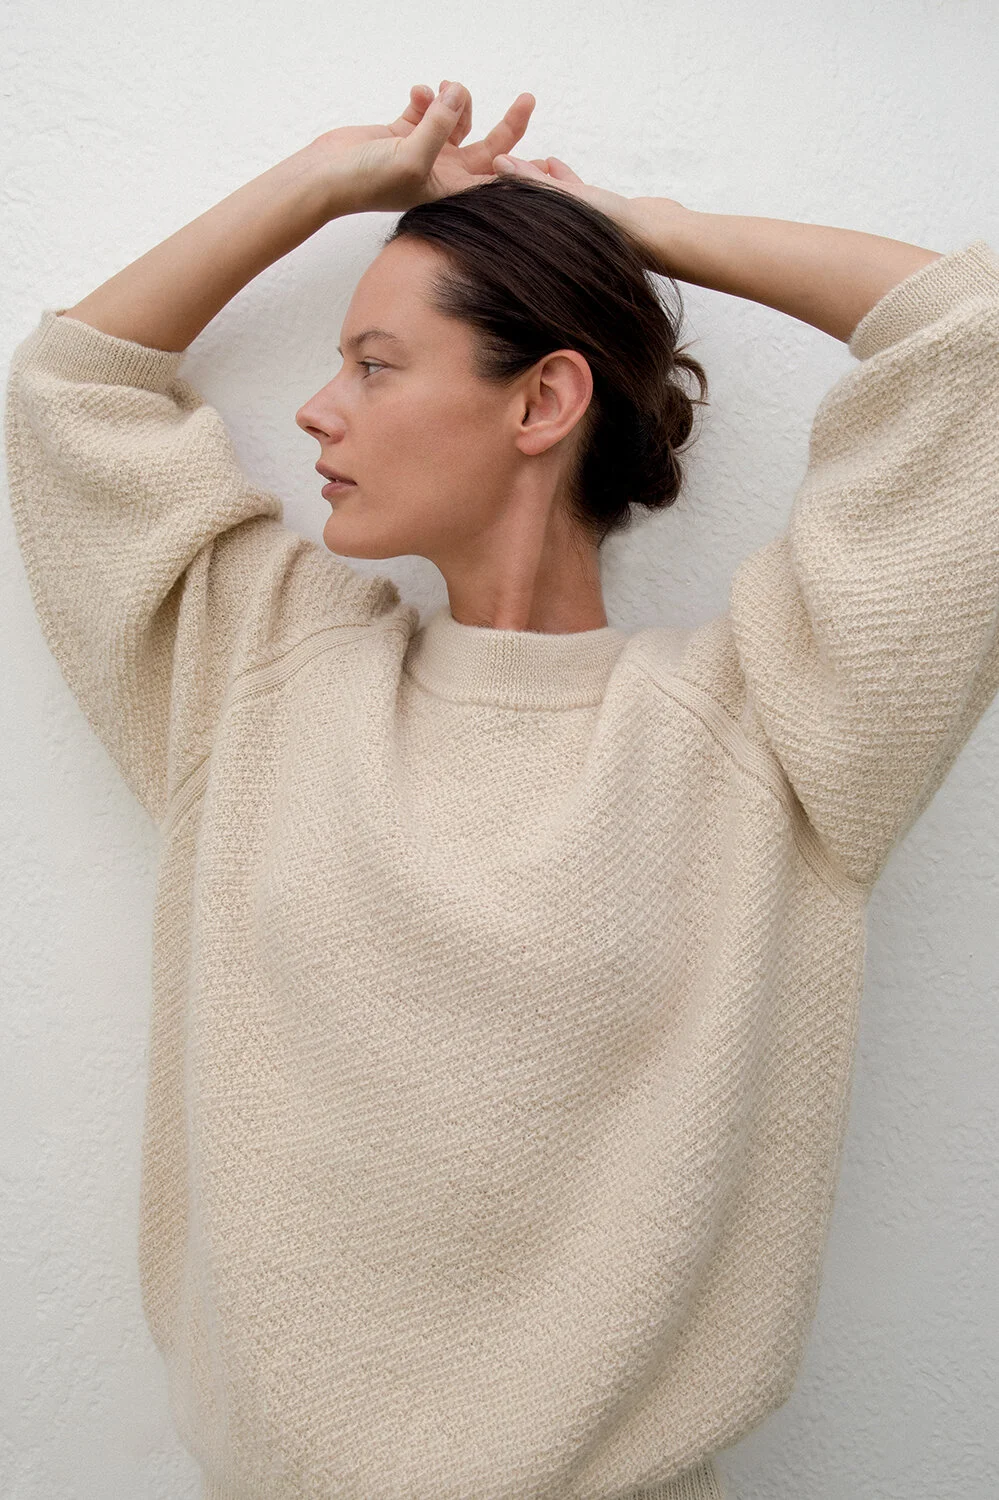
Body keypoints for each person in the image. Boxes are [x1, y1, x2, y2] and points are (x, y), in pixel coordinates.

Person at [6, 79, 998, 1500]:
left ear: (543, 399)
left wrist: (643, 229)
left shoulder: (772, 731)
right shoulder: (264, 671)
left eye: (374, 366)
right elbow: (71, 397)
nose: (316, 410)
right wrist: (322, 181)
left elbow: (971, 344)